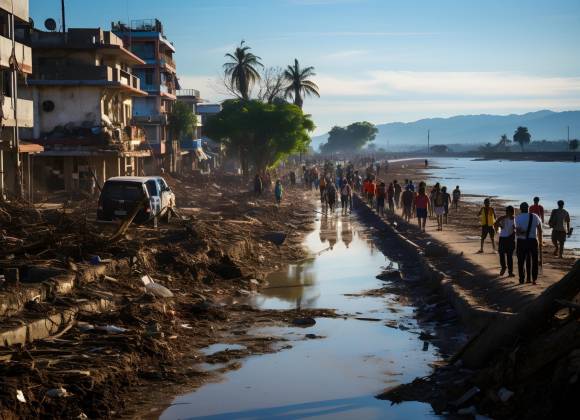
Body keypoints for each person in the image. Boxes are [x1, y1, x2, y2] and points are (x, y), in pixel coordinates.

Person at [515, 202, 543, 285]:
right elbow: (540, 230)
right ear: (528, 208)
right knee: (534, 261)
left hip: (521, 241)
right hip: (533, 241)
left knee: (521, 261)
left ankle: (522, 279)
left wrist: (523, 233)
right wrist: (540, 242)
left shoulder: (517, 218)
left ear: (520, 209)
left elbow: (517, 232)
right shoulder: (535, 216)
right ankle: (533, 279)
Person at [495, 206, 516, 277]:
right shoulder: (502, 218)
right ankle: (503, 267)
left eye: (509, 211)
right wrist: (499, 227)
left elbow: (516, 229)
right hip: (502, 238)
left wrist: (514, 231)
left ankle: (510, 272)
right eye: (507, 211)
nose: (507, 213)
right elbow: (495, 224)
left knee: (509, 256)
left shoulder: (515, 219)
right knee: (501, 254)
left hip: (510, 238)